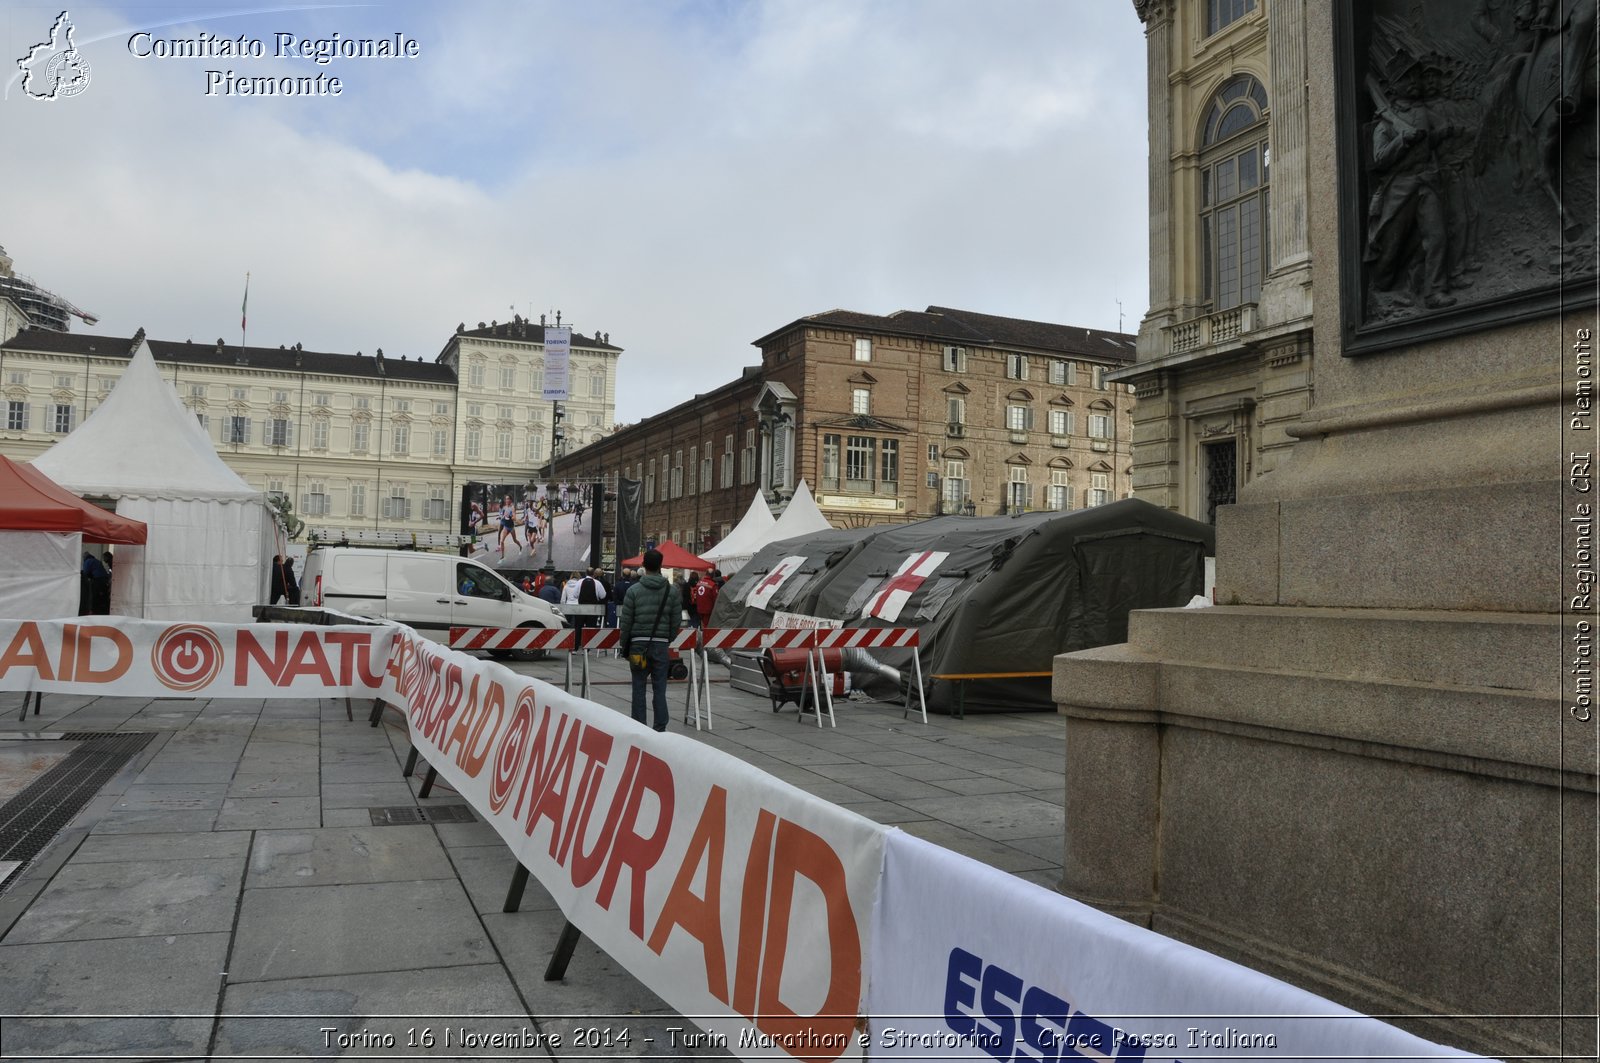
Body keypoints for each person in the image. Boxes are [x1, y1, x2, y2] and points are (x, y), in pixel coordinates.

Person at [619, 548, 681, 732]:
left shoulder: (633, 591)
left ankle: (639, 726)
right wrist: (668, 638)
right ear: (660, 565)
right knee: (659, 687)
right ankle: (660, 726)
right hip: (660, 646)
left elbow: (626, 622)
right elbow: (675, 620)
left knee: (638, 686)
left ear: (644, 565)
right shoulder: (672, 591)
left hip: (638, 646)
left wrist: (625, 645)